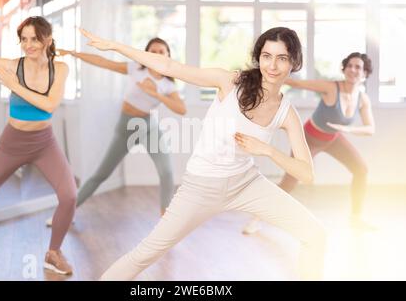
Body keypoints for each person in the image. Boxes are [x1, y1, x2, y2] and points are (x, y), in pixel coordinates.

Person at [80, 26, 327, 281]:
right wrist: (117, 46)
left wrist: (267, 149)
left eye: (282, 58)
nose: (272, 65)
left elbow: (307, 174)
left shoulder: (286, 112)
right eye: (267, 56)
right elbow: (169, 67)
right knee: (146, 253)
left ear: (294, 61)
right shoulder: (231, 82)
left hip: (246, 184)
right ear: (259, 57)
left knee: (315, 233)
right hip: (201, 186)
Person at [0, 16, 76, 275]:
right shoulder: (12, 66)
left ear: (48, 39)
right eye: (24, 39)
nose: (29, 44)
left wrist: (14, 86)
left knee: (69, 195)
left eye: (34, 38)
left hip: (45, 143)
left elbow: (49, 105)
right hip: (12, 143)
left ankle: (53, 253)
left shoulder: (61, 68)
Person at [46, 38, 185, 227]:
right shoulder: (136, 69)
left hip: (148, 126)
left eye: (162, 51)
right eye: (153, 50)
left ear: (168, 55)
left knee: (167, 172)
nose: (157, 54)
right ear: (146, 53)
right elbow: (104, 62)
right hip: (126, 126)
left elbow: (181, 109)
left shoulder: (168, 85)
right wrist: (73, 53)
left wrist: (155, 94)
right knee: (101, 174)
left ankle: (166, 225)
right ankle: (65, 215)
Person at [243, 52, 375, 235]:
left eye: (358, 67)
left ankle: (356, 218)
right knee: (289, 182)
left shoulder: (363, 99)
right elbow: (297, 83)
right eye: (350, 66)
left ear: (365, 73)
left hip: (333, 139)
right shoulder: (331, 88)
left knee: (361, 169)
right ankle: (257, 218)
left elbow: (370, 129)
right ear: (344, 69)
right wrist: (268, 74)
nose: (353, 70)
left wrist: (348, 130)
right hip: (309, 139)